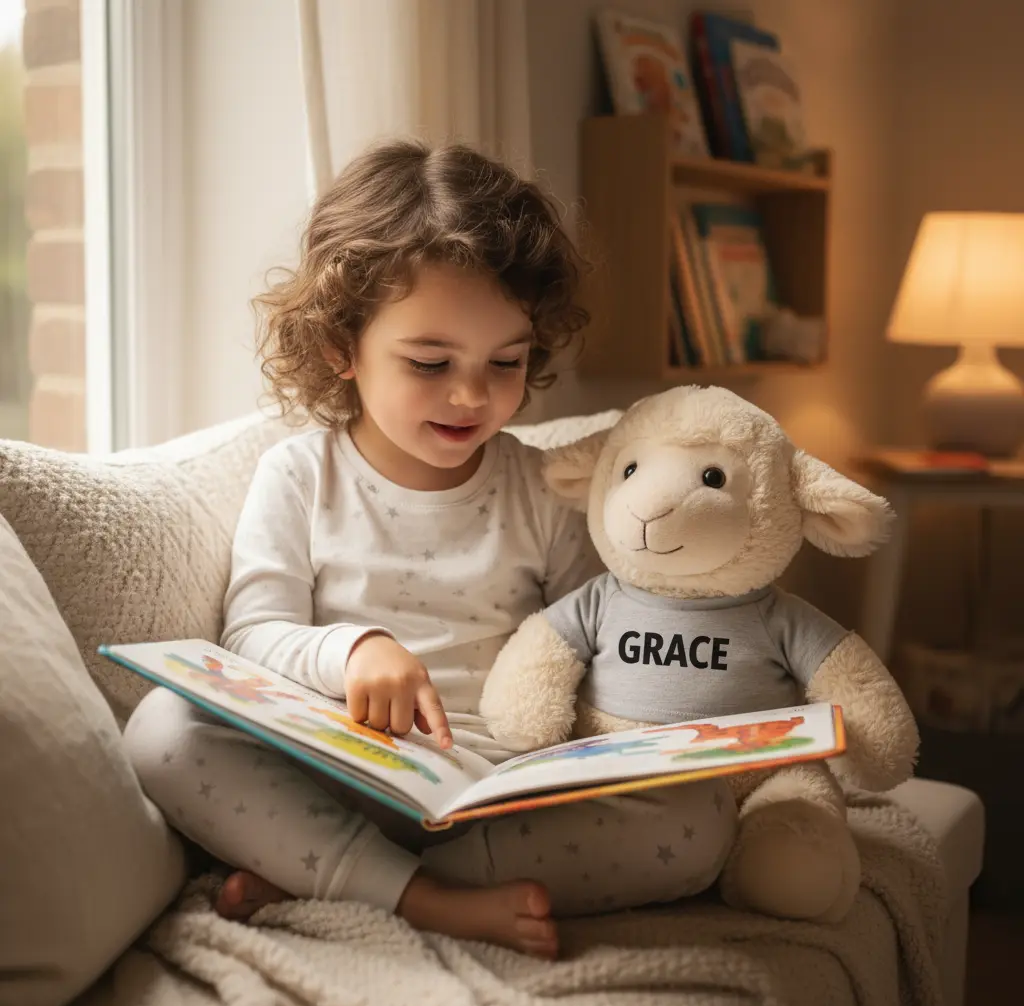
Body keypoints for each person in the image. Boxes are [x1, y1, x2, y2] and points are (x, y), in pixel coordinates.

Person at [123, 139, 737, 959]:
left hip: (498, 789)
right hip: (339, 770)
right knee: (163, 731)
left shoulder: (543, 489)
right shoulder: (302, 475)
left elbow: (594, 646)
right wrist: (352, 651)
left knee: (702, 819)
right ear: (343, 345)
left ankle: (335, 878)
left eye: (506, 362)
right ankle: (423, 898)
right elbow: (249, 641)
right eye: (429, 361)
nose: (471, 394)